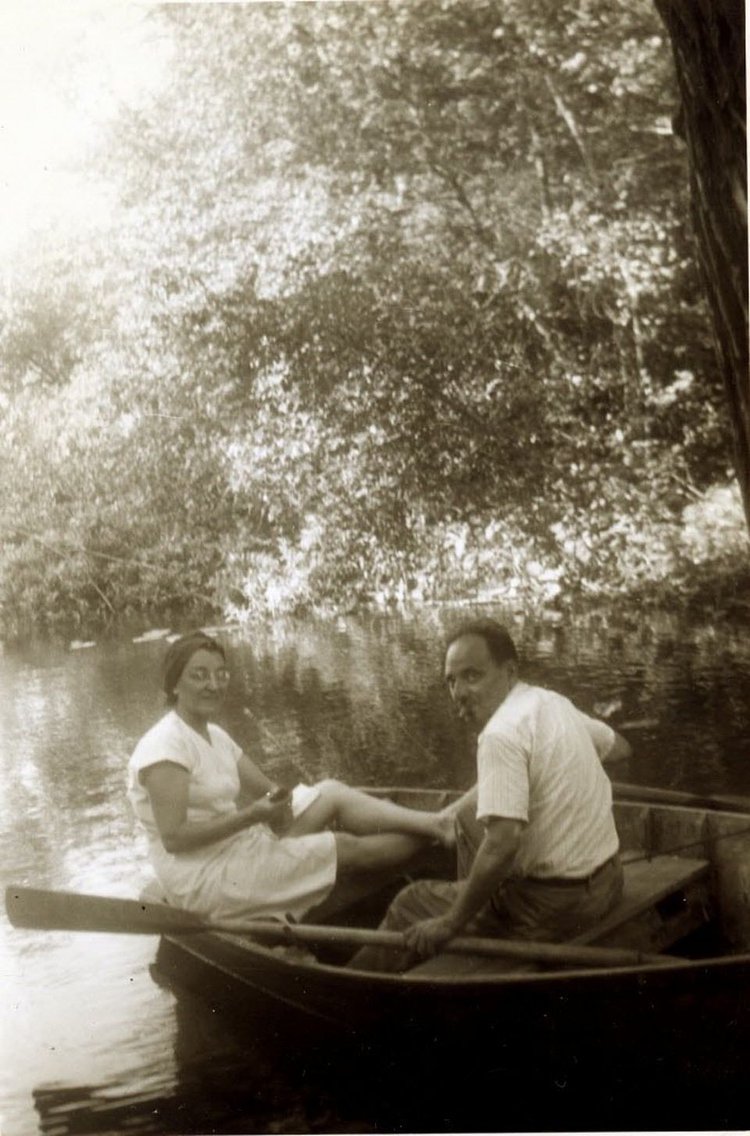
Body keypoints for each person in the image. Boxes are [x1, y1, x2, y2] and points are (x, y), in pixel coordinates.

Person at [349, 617, 632, 972]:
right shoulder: (552, 702)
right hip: (609, 881)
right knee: (470, 825)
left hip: (552, 909)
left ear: (509, 671)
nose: (460, 692)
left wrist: (450, 922)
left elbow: (502, 845)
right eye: (451, 681)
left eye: (472, 675)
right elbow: (619, 748)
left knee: (410, 901)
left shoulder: (500, 735)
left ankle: (342, 984)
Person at [127, 631, 454, 928]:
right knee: (344, 846)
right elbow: (174, 838)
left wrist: (281, 804)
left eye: (221, 673)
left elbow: (269, 789)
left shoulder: (213, 734)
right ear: (174, 684)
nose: (214, 684)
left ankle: (437, 824)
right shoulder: (165, 747)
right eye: (199, 675)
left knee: (329, 793)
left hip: (241, 846)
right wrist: (253, 816)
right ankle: (442, 835)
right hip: (203, 878)